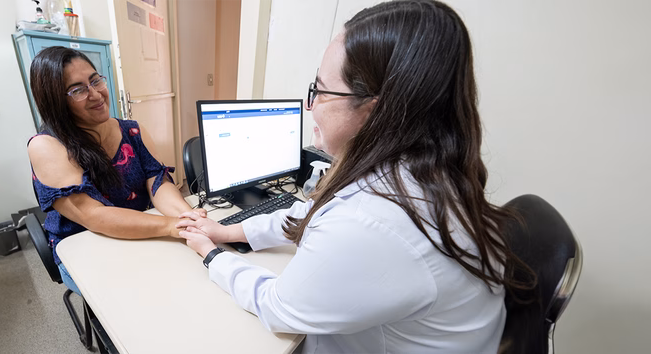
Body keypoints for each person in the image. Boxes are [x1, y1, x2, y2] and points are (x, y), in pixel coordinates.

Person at [176, 1, 534, 353]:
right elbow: (307, 215)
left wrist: (211, 254)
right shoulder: (426, 173)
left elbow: (278, 307)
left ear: (373, 109)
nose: (309, 106)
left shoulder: (372, 219)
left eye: (319, 90)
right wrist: (227, 232)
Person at [26, 46, 203, 295]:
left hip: (138, 230)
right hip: (85, 248)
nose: (96, 94)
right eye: (78, 90)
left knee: (187, 278)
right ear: (56, 101)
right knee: (145, 298)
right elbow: (94, 216)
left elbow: (158, 182)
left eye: (95, 81)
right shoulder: (46, 146)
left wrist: (187, 218)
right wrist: (170, 226)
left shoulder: (132, 130)